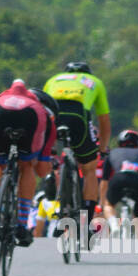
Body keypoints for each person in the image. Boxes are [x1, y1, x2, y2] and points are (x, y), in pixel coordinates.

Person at [0, 78, 54, 246]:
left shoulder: (2, 96)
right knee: (27, 166)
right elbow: (42, 170)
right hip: (31, 116)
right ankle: (21, 223)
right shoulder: (44, 113)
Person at [43, 62, 111, 210]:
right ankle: (86, 215)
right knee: (89, 169)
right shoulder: (95, 82)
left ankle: (49, 174)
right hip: (78, 114)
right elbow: (104, 121)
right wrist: (102, 148)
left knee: (46, 152)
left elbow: (42, 111)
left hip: (53, 114)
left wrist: (48, 149)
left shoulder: (53, 79)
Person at [102, 129, 138, 234]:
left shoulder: (113, 152)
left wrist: (102, 202)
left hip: (118, 179)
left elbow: (105, 180)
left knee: (108, 205)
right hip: (137, 181)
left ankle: (114, 225)